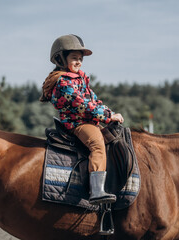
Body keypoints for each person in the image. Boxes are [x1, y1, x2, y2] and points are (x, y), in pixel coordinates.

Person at [40, 34, 124, 205]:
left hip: (86, 120)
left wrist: (110, 111)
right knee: (97, 144)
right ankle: (96, 191)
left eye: (80, 59)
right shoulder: (64, 82)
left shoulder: (79, 79)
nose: (78, 62)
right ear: (61, 59)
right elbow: (83, 105)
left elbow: (93, 100)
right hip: (77, 123)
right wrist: (108, 117)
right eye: (74, 58)